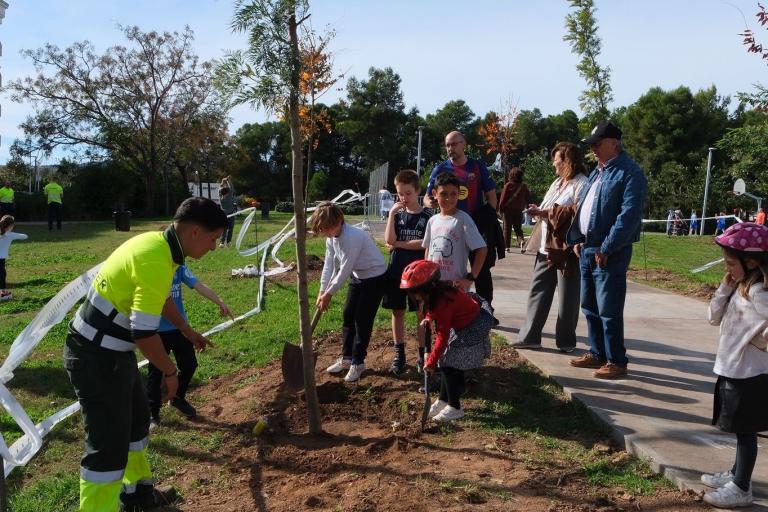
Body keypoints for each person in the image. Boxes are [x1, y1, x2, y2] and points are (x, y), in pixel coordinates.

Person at [64, 197, 227, 511]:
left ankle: (137, 494)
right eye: (213, 238)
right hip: (95, 357)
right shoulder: (155, 257)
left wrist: (186, 330)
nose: (214, 247)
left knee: (137, 423)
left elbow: (161, 297)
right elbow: (144, 334)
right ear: (195, 232)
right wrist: (170, 372)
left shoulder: (162, 248)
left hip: (112, 353)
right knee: (107, 446)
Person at [567, 120, 648, 380]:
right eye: (590, 144)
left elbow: (628, 216)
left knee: (608, 308)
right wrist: (579, 238)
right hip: (588, 249)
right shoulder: (598, 171)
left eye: (597, 144)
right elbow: (586, 207)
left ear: (614, 143)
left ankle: (616, 360)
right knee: (589, 305)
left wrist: (607, 246)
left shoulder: (630, 173)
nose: (592, 149)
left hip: (609, 252)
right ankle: (597, 353)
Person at [700, 222, 768, 508]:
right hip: (732, 369)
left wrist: (761, 341)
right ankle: (737, 473)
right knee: (740, 429)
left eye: (731, 263)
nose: (727, 268)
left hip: (749, 373)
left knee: (746, 432)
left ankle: (741, 487)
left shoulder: (759, 292)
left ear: (751, 261)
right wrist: (724, 288)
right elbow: (713, 317)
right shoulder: (738, 287)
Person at [512, 142, 589, 352]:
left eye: (556, 160)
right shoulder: (557, 183)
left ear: (567, 161)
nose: (553, 164)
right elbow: (550, 207)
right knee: (538, 292)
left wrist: (545, 213)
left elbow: (577, 213)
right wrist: (538, 210)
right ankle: (529, 337)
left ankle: (566, 342)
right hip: (546, 247)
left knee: (568, 300)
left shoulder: (582, 184)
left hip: (566, 250)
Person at [400, 259, 493, 422]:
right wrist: (429, 319)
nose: (414, 295)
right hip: (460, 323)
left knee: (449, 363)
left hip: (472, 326)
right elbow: (431, 309)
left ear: (427, 288)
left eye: (415, 291)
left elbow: (442, 338)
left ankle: (455, 407)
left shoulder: (444, 302)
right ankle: (443, 400)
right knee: (446, 362)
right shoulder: (436, 293)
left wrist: (431, 361)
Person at [146, 265, 232, 429]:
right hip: (157, 330)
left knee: (189, 364)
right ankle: (153, 413)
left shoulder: (178, 267)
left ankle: (177, 397)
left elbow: (198, 285)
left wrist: (219, 301)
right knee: (155, 373)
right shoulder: (154, 269)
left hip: (180, 328)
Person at [314, 202, 388, 382]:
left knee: (362, 319)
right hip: (358, 276)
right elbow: (330, 265)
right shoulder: (331, 238)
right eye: (324, 229)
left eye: (330, 227)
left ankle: (358, 362)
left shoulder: (352, 237)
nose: (328, 231)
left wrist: (330, 293)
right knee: (348, 314)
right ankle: (346, 359)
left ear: (340, 220)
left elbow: (344, 269)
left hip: (375, 277)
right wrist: (322, 290)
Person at [423, 131, 498, 304]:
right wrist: (431, 203)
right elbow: (427, 197)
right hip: (450, 227)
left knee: (482, 269)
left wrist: (489, 217)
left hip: (476, 224)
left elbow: (491, 194)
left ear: (464, 144)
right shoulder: (440, 168)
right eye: (448, 145)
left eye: (454, 144)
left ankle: (486, 310)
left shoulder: (477, 166)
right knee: (450, 267)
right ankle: (451, 304)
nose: (451, 148)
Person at [383, 170, 432, 375]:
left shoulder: (428, 216)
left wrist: (400, 244)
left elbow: (423, 243)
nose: (403, 198)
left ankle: (422, 354)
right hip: (396, 271)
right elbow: (389, 240)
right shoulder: (397, 214)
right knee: (397, 311)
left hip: (419, 274)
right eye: (400, 194)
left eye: (408, 193)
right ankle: (399, 354)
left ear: (418, 191)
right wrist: (392, 215)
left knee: (421, 313)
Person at [423, 173, 487, 292]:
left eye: (453, 194)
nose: (449, 198)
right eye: (443, 194)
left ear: (459, 195)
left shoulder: (463, 219)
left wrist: (471, 277)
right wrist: (427, 274)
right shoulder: (432, 221)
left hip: (456, 288)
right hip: (434, 285)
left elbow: (482, 249)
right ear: (434, 194)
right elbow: (428, 249)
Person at [497, 167, 529, 252]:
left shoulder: (508, 185)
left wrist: (500, 210)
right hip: (519, 210)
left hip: (508, 210)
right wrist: (529, 208)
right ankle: (521, 242)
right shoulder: (524, 186)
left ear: (511, 175)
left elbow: (502, 199)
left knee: (507, 228)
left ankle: (507, 247)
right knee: (518, 229)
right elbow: (528, 199)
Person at [0, 215, 28, 301]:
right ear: (10, 226)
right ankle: (2, 292)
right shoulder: (10, 234)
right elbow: (25, 236)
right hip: (1, 258)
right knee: (2, 275)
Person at [219, 176, 237, 247]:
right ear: (227, 193)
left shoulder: (221, 198)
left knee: (224, 228)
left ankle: (222, 242)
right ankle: (228, 242)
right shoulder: (229, 196)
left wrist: (223, 182)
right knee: (230, 228)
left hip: (223, 214)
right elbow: (231, 187)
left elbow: (220, 189)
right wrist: (229, 180)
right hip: (231, 214)